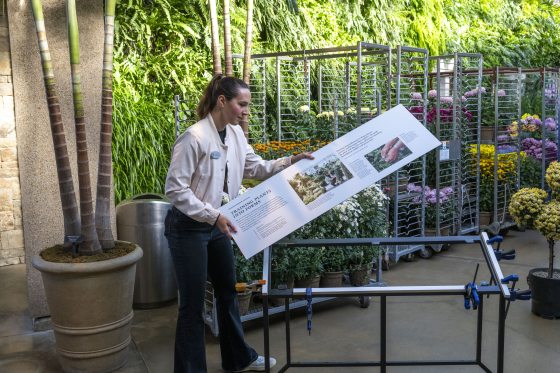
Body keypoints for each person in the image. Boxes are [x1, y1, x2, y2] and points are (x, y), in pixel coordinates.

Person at [164, 74, 313, 373]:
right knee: (192, 307)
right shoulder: (193, 138)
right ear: (223, 101)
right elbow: (175, 190)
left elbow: (255, 167)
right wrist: (213, 215)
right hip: (188, 227)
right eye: (242, 104)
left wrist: (289, 161)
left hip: (217, 223)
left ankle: (237, 359)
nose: (246, 111)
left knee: (227, 292)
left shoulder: (234, 134)